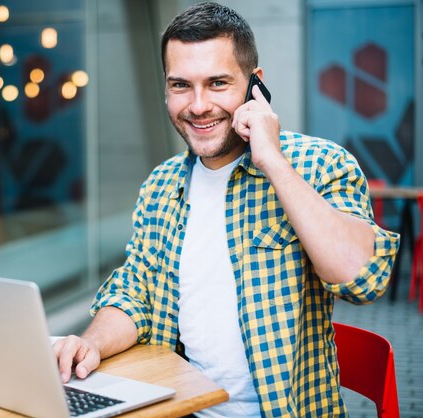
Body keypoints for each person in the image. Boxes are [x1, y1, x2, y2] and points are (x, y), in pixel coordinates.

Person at [53, 2, 400, 417]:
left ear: (256, 86)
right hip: (182, 408)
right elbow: (135, 292)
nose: (198, 106)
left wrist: (271, 160)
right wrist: (91, 343)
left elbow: (362, 280)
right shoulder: (161, 186)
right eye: (181, 85)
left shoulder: (319, 165)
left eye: (217, 83)